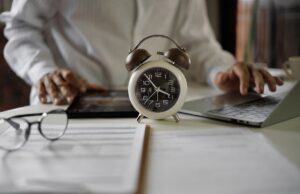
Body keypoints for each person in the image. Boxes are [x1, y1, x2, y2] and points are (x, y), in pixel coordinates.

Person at [0, 0, 283, 105]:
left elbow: (195, 42)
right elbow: (22, 27)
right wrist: (44, 72)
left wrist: (220, 70)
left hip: (154, 107)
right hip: (69, 102)